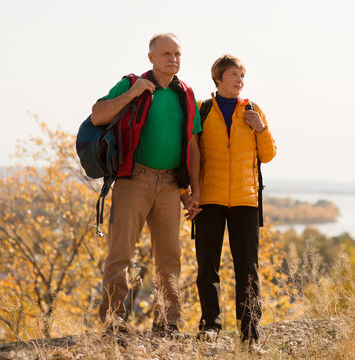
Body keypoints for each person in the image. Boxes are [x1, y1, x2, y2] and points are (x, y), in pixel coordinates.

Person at [91, 33, 202, 337]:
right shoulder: (129, 84)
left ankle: (167, 324)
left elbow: (193, 145)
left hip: (170, 184)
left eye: (177, 54)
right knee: (120, 255)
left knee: (169, 259)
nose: (173, 59)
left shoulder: (187, 94)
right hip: (133, 179)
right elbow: (97, 114)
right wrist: (133, 93)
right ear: (151, 57)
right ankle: (114, 324)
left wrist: (194, 190)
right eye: (166, 54)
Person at [194, 54, 276, 346]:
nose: (240, 81)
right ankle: (210, 325)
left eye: (242, 76)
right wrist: (188, 193)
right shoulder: (202, 110)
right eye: (234, 75)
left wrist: (260, 129)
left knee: (248, 271)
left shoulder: (253, 110)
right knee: (207, 267)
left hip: (245, 201)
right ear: (218, 78)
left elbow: (268, 155)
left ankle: (250, 333)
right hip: (210, 199)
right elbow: (190, 154)